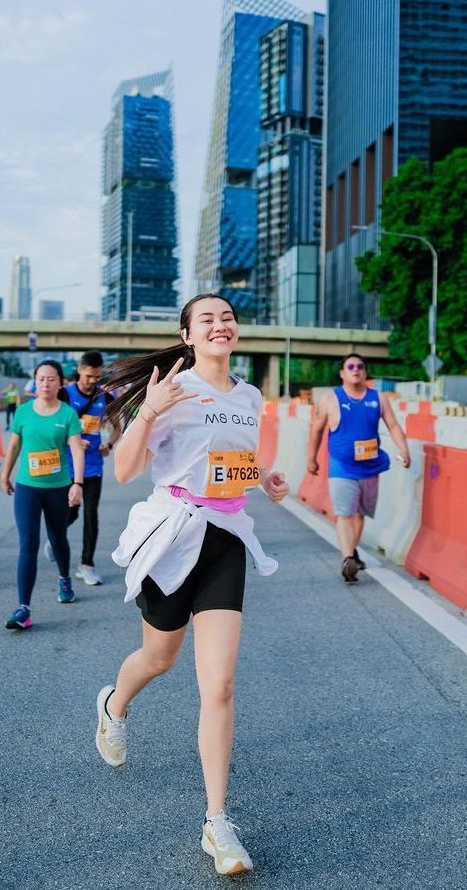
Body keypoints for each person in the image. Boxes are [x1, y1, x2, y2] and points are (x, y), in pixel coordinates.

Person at [94, 294, 289, 876]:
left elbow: (233, 468)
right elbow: (126, 470)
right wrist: (149, 411)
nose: (219, 324)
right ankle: (114, 701)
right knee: (159, 657)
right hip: (172, 536)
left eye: (226, 317)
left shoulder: (249, 396)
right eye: (206, 318)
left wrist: (266, 482)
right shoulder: (170, 390)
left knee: (221, 683)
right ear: (187, 334)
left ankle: (217, 822)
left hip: (225, 537)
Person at [307, 353, 410, 582]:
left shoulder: (378, 398)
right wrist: (311, 458)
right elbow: (317, 429)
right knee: (345, 513)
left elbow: (393, 425)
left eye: (360, 366)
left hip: (370, 467)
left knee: (360, 513)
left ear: (365, 372)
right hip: (341, 466)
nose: (356, 369)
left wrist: (403, 449)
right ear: (342, 373)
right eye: (350, 366)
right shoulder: (330, 398)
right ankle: (347, 559)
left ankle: (351, 551)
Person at [0, 359, 84, 629]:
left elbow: (76, 450)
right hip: (27, 487)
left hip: (58, 488)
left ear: (61, 383)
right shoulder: (24, 412)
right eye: (41, 379)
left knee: (58, 537)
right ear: (34, 383)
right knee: (29, 543)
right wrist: (5, 475)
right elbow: (13, 447)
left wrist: (77, 483)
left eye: (51, 379)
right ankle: (23, 607)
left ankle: (64, 578)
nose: (45, 383)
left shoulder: (67, 414)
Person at [45, 350, 120, 585]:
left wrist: (109, 444)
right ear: (79, 370)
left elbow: (118, 426)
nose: (93, 382)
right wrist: (73, 439)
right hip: (67, 467)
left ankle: (86, 564)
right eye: (89, 376)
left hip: (94, 467)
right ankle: (55, 537)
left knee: (91, 515)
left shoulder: (103, 396)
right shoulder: (65, 395)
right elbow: (51, 426)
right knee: (71, 512)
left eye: (97, 377)